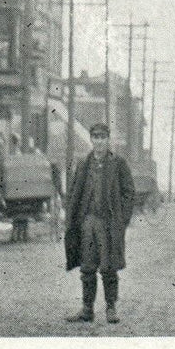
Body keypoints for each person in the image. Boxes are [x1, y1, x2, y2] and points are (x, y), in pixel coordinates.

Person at [63, 123, 137, 324]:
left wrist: (122, 220)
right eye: (95, 137)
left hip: (108, 223)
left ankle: (111, 308)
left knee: (108, 266)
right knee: (87, 267)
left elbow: (129, 193)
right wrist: (71, 218)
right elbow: (73, 192)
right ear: (91, 139)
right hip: (87, 222)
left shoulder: (118, 164)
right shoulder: (84, 164)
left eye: (103, 137)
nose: (99, 141)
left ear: (108, 139)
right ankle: (87, 309)